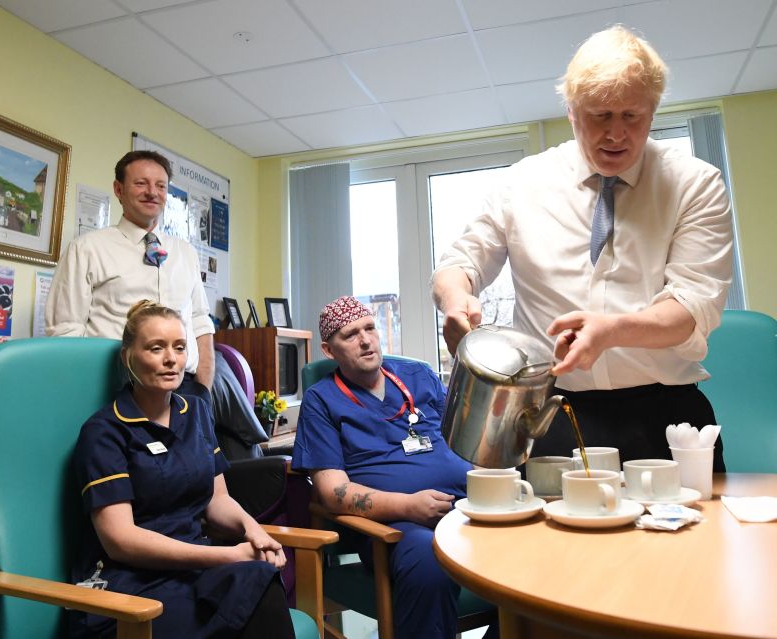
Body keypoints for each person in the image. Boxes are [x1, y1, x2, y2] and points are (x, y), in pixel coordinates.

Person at [432, 25, 733, 471]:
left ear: (653, 111)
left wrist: (612, 330)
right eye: (600, 115)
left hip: (665, 417)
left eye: (632, 116)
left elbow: (693, 308)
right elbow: (461, 261)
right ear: (572, 113)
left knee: (690, 541)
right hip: (547, 415)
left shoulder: (695, 184)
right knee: (549, 543)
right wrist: (456, 301)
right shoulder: (523, 183)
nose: (616, 134)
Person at [70, 300, 293, 639]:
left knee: (259, 580)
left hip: (192, 568)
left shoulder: (197, 412)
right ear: (128, 356)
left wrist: (254, 531)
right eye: (155, 348)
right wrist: (225, 555)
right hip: (129, 583)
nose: (171, 359)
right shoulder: (105, 432)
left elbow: (217, 501)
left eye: (179, 347)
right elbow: (120, 541)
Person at [46, 150, 267, 458]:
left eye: (161, 186)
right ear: (119, 190)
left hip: (186, 387)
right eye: (141, 183)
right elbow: (66, 332)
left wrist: (202, 390)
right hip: (123, 389)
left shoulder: (184, 253)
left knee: (221, 469)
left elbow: (201, 322)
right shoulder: (87, 249)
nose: (152, 192)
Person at [292, 296, 479, 639]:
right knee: (429, 559)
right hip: (398, 527)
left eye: (369, 328)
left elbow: (467, 439)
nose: (365, 340)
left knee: (538, 552)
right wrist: (408, 506)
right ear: (328, 350)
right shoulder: (321, 400)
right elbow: (332, 493)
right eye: (350, 335)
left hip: (468, 509)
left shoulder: (418, 376)